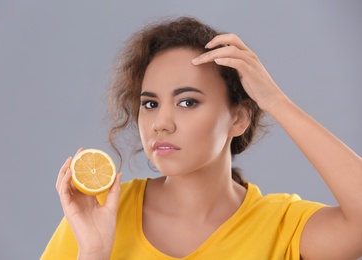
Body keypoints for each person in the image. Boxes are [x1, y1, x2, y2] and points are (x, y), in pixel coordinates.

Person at [41, 17, 362, 259]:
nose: (160, 124)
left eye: (187, 102)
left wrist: (275, 101)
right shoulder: (97, 215)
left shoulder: (281, 224)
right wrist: (93, 254)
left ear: (238, 118)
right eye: (150, 104)